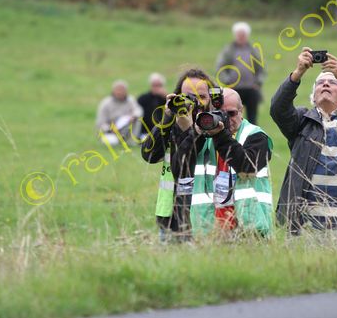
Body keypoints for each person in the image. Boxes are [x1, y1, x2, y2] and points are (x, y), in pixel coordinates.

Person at [271, 47, 337, 236]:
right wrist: (298, 74)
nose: (325, 85)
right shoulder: (301, 122)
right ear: (313, 97)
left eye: (332, 82)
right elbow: (278, 109)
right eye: (320, 83)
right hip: (307, 227)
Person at [188, 87, 274, 237]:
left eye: (231, 113)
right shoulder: (203, 139)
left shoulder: (256, 136)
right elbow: (180, 162)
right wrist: (195, 133)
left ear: (241, 111)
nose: (226, 119)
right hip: (209, 230)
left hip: (251, 230)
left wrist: (221, 136)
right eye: (219, 113)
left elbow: (247, 168)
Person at [141, 69, 212, 242]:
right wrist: (167, 117)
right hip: (170, 215)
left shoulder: (215, 127)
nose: (196, 102)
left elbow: (188, 160)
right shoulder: (171, 125)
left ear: (211, 99)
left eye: (201, 96)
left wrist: (189, 130)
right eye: (189, 96)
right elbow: (148, 155)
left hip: (206, 218)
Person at [215, 22, 265, 124]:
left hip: (251, 89)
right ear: (235, 35)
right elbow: (220, 68)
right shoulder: (228, 51)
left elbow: (261, 69)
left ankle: (252, 137)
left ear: (247, 35)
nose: (241, 37)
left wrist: (258, 83)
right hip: (234, 89)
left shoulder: (253, 50)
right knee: (232, 117)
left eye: (243, 34)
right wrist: (227, 82)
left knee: (252, 118)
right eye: (239, 34)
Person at [95, 80, 143, 146]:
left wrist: (133, 117)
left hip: (127, 129)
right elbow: (100, 123)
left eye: (122, 90)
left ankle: (131, 142)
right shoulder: (106, 103)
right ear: (113, 91)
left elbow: (138, 111)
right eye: (118, 90)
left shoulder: (131, 100)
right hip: (111, 132)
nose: (120, 92)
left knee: (138, 120)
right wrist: (109, 129)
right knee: (112, 141)